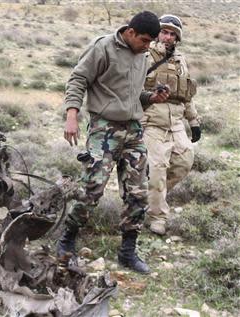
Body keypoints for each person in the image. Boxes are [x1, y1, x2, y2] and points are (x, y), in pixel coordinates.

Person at [56, 11, 169, 274]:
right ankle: (67, 240)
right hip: (104, 129)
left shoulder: (142, 54)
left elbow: (131, 94)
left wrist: (150, 98)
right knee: (91, 189)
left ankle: (128, 252)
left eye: (151, 41)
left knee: (138, 193)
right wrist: (72, 114)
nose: (147, 46)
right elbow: (78, 79)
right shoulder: (103, 47)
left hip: (133, 130)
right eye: (143, 40)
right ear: (130, 32)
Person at [142, 15, 201, 235]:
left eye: (172, 34)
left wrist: (193, 121)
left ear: (177, 38)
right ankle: (156, 216)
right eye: (164, 32)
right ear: (157, 33)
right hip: (151, 120)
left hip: (176, 122)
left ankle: (147, 198)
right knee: (157, 169)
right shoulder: (144, 55)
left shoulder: (180, 60)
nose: (167, 37)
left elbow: (186, 94)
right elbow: (130, 89)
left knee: (184, 161)